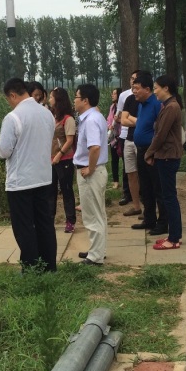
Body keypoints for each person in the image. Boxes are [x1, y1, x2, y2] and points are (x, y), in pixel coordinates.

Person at [0, 78, 57, 272]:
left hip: (21, 182)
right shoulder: (47, 114)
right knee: (44, 223)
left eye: (8, 99)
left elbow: (4, 152)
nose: (9, 103)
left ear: (12, 95)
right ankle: (49, 265)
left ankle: (31, 268)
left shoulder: (13, 117)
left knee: (24, 227)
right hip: (43, 178)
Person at [145, 75, 184, 250]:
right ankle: (173, 235)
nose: (155, 92)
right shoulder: (168, 106)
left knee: (169, 197)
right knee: (168, 196)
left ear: (166, 88)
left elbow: (161, 134)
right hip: (164, 155)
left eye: (155, 88)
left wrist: (149, 152)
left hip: (168, 156)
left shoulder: (171, 107)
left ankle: (174, 238)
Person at [73, 84, 108, 265]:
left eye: (76, 97)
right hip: (94, 170)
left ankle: (96, 257)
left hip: (91, 172)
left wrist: (90, 168)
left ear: (85, 100)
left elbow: (94, 147)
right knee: (97, 213)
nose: (74, 100)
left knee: (92, 215)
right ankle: (97, 250)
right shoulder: (94, 116)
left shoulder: (91, 119)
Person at [131, 73, 167, 236]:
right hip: (141, 150)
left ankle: (162, 222)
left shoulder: (156, 104)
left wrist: (152, 151)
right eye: (133, 88)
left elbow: (159, 131)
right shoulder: (141, 105)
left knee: (157, 187)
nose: (134, 92)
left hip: (152, 151)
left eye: (137, 89)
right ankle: (149, 218)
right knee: (145, 187)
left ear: (147, 89)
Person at [48, 87, 77, 234]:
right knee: (50, 191)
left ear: (58, 99)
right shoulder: (52, 116)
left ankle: (70, 221)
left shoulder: (68, 119)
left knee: (66, 190)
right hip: (51, 159)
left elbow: (70, 140)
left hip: (64, 159)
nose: (49, 100)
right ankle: (49, 220)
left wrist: (59, 155)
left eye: (51, 97)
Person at [120, 72, 145, 216]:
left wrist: (132, 119)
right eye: (133, 82)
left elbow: (152, 123)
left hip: (142, 141)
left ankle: (148, 206)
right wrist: (140, 122)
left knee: (145, 175)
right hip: (129, 140)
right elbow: (123, 120)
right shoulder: (129, 99)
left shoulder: (150, 101)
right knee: (131, 173)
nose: (134, 87)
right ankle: (136, 206)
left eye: (137, 83)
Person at [107, 87, 122, 189]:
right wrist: (109, 125)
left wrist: (120, 120)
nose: (112, 95)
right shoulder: (112, 107)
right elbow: (109, 119)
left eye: (114, 94)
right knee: (114, 160)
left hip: (121, 136)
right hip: (113, 137)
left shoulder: (123, 108)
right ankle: (115, 181)